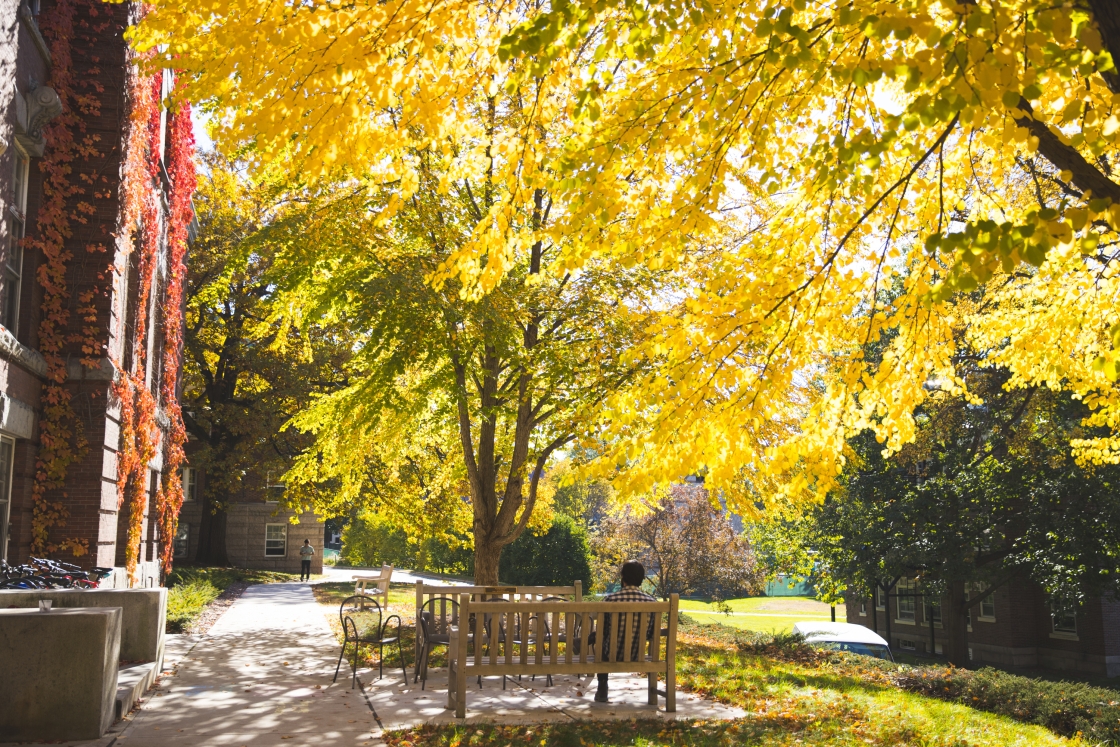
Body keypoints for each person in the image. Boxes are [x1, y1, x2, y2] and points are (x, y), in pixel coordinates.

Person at [595, 560, 656, 703]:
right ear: (641, 579)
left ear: (623, 577)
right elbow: (651, 634)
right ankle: (653, 695)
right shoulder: (651, 603)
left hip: (610, 654)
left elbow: (602, 631)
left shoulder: (610, 599)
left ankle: (602, 686)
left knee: (600, 640)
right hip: (637, 654)